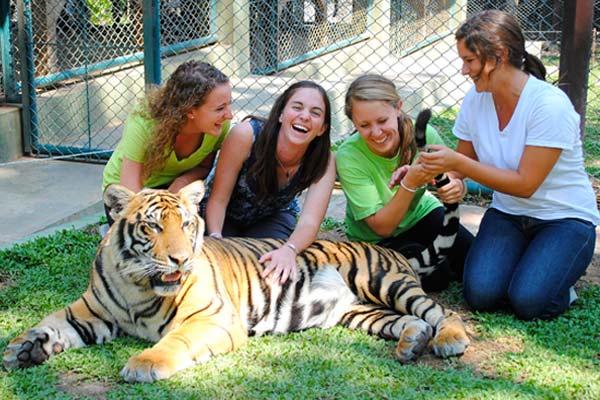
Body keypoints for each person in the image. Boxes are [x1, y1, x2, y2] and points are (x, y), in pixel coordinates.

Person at [419, 10, 600, 320]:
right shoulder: (476, 100)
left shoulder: (548, 105)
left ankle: (556, 282)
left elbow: (526, 184)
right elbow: (460, 168)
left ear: (499, 56)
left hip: (564, 218)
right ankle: (533, 266)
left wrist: (458, 163)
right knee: (481, 295)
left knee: (528, 302)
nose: (463, 70)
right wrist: (445, 179)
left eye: (469, 61)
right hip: (509, 213)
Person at [336, 74, 474, 292]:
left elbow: (452, 176)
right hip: (377, 238)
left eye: (382, 121)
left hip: (421, 214)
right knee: (436, 276)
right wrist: (410, 183)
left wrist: (456, 186)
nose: (376, 132)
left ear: (398, 108)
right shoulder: (348, 155)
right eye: (364, 125)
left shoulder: (424, 135)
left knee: (474, 260)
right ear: (353, 123)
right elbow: (383, 227)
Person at [205, 81, 336, 284]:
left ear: (322, 129)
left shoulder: (324, 160)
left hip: (271, 218)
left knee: (273, 270)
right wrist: (215, 238)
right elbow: (218, 199)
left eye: (316, 113)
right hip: (224, 216)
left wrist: (289, 250)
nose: (305, 116)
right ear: (281, 114)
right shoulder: (246, 135)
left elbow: (310, 221)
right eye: (297, 107)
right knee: (220, 268)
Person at [102, 60, 233, 223]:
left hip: (176, 191)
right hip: (134, 193)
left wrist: (181, 184)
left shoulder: (218, 126)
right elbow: (130, 188)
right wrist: (156, 216)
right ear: (190, 111)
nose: (229, 115)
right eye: (220, 108)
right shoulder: (144, 121)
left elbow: (204, 167)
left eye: (229, 104)